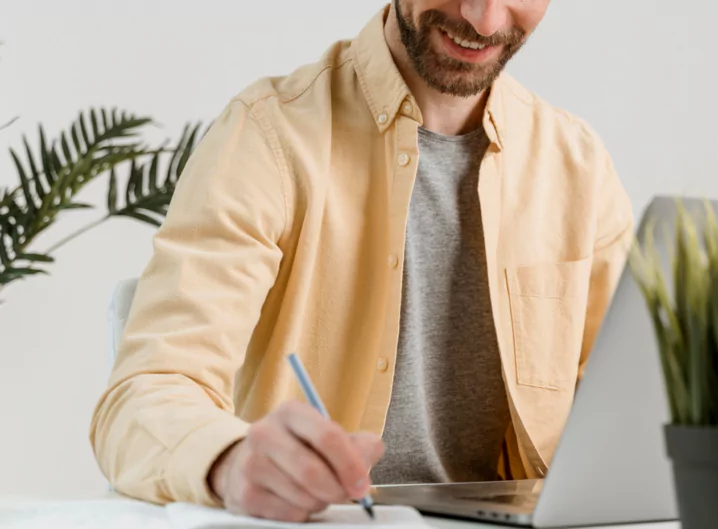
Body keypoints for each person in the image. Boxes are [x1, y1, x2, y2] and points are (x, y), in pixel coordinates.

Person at [89, 0, 633, 523]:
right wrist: (229, 463)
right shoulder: (269, 137)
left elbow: (628, 416)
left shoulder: (578, 166)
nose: (483, 17)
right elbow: (142, 397)